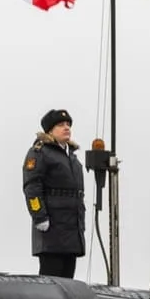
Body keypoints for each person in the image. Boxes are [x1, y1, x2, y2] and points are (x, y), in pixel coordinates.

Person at [22, 109, 86, 278]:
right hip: (52, 230)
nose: (67, 128)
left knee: (67, 283)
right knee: (52, 281)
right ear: (49, 130)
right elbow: (32, 188)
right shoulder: (40, 153)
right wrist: (39, 216)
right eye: (60, 125)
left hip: (72, 231)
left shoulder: (72, 157)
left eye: (68, 125)